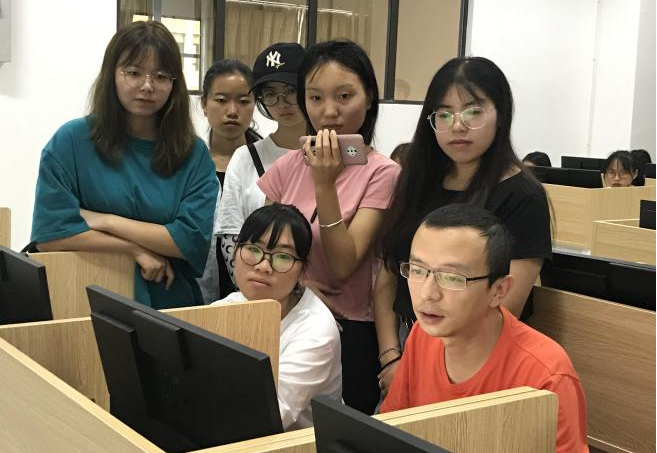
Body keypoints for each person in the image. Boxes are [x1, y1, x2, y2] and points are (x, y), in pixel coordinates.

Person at [375, 56, 551, 398]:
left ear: (500, 114)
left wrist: (420, 363)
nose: (457, 126)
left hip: (474, 359)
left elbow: (505, 306)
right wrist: (391, 357)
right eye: (443, 114)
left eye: (473, 111)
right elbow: (387, 277)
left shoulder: (522, 195)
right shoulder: (417, 181)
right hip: (404, 345)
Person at [257, 39, 401, 415]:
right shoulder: (288, 166)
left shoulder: (383, 173)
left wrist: (324, 183)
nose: (329, 111)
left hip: (346, 330)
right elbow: (261, 249)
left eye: (344, 96)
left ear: (369, 98)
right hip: (284, 318)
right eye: (316, 98)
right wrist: (300, 287)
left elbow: (343, 264)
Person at [30, 21, 218, 309]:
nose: (147, 85)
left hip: (168, 304)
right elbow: (50, 236)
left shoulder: (193, 153)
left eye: (161, 76)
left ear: (174, 84)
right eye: (133, 72)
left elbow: (189, 241)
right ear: (112, 74)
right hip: (83, 297)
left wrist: (105, 220)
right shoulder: (71, 141)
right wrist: (133, 249)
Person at [380, 204, 588, 453]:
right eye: (417, 270)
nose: (427, 293)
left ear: (499, 290)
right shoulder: (423, 334)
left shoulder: (546, 376)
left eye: (451, 278)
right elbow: (391, 434)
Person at [213, 203, 342, 431]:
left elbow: (270, 416)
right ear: (235, 252)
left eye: (282, 257)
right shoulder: (228, 306)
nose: (263, 266)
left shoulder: (317, 331)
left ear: (303, 270)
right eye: (253, 250)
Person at [214, 42, 307, 293]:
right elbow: (232, 239)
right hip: (258, 297)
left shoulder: (327, 154)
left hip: (318, 299)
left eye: (291, 90)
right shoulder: (245, 158)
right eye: (270, 93)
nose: (282, 103)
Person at [197, 59, 260, 303]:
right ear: (204, 104)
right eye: (221, 100)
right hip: (198, 290)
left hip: (257, 288)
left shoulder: (268, 164)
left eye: (243, 101)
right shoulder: (187, 162)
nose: (232, 111)